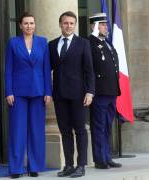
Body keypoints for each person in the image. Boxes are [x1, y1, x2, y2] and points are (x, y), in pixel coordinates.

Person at [4, 12, 52, 179]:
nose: (29, 26)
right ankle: (16, 168)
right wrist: (8, 91)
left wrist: (48, 91)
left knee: (37, 130)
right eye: (25, 23)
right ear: (20, 25)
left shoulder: (43, 42)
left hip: (39, 92)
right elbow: (8, 69)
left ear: (35, 25)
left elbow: (46, 69)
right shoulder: (13, 43)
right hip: (18, 93)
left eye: (31, 23)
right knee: (17, 131)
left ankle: (35, 166)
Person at [49, 11, 95, 178]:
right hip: (60, 95)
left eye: (71, 23)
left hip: (79, 95)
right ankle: (68, 165)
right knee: (65, 131)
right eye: (65, 23)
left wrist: (90, 92)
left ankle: (81, 165)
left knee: (80, 130)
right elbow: (48, 70)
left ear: (74, 25)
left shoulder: (83, 43)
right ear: (60, 24)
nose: (68, 26)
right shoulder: (52, 45)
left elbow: (89, 70)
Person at [89, 13, 122, 169]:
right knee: (99, 126)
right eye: (102, 24)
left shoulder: (107, 43)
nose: (105, 27)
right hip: (100, 92)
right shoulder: (90, 43)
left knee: (108, 126)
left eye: (105, 24)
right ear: (94, 26)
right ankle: (99, 158)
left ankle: (107, 156)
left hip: (111, 92)